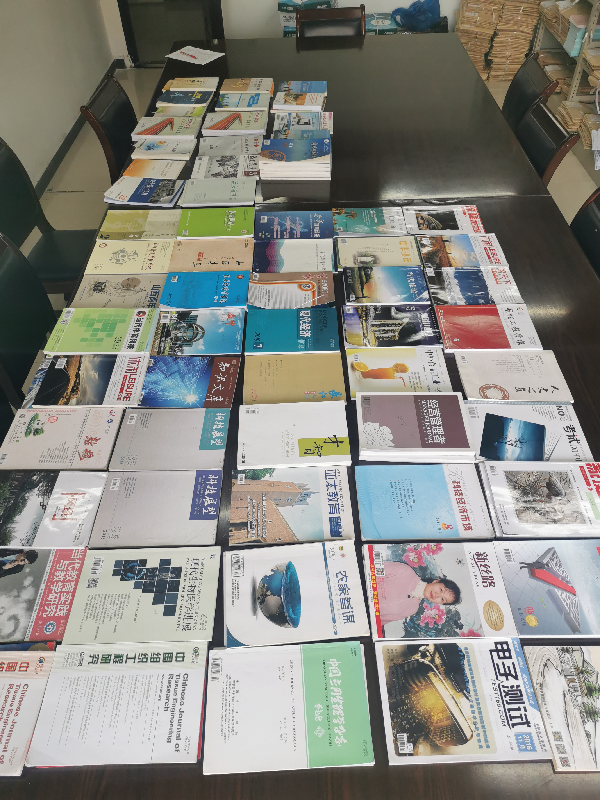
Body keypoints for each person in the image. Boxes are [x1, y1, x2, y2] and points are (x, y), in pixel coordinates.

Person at [377, 561, 461, 626]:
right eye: (441, 590)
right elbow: (373, 569)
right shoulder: (405, 571)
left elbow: (379, 621)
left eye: (442, 599)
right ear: (436, 581)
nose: (437, 595)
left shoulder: (412, 609)